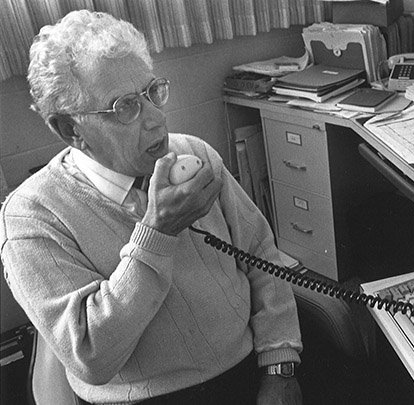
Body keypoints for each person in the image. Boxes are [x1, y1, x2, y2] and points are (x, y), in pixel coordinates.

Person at [0, 10, 303, 405]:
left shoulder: (195, 155)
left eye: (153, 92)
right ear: (70, 130)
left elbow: (262, 256)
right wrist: (158, 234)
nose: (158, 119)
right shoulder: (30, 219)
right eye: (125, 107)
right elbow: (91, 356)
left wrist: (279, 366)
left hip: (250, 373)